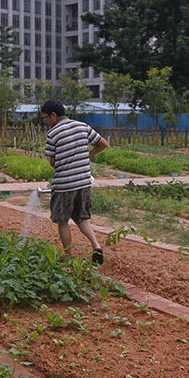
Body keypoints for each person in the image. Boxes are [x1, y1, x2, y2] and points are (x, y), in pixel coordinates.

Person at [41, 99, 109, 264]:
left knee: (62, 221)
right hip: (84, 182)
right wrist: (87, 156)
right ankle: (96, 246)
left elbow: (52, 162)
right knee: (82, 218)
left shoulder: (53, 133)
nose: (45, 121)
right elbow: (103, 144)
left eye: (45, 118)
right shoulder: (82, 126)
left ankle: (68, 257)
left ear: (53, 115)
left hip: (64, 185)